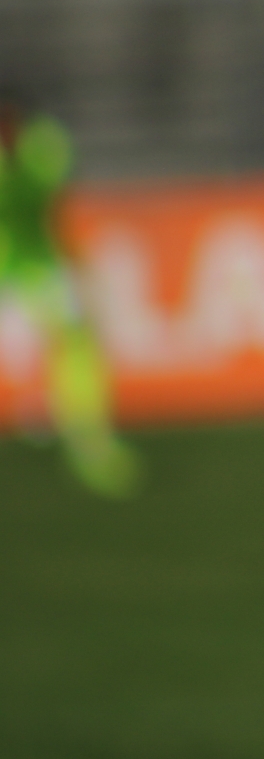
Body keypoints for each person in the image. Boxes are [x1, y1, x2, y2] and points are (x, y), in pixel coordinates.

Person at [0, 98, 140, 497]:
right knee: (65, 338)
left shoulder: (41, 149)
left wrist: (76, 260)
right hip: (13, 267)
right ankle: (57, 416)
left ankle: (85, 434)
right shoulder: (39, 152)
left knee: (76, 338)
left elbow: (54, 205)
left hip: (38, 264)